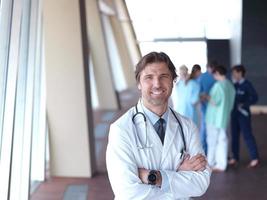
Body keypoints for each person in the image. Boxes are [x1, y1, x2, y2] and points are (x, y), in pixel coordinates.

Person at [106, 52, 211, 200]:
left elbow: (201, 183)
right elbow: (128, 193)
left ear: (173, 81)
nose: (157, 84)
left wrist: (154, 177)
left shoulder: (187, 126)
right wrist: (178, 175)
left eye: (164, 76)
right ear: (139, 84)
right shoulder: (121, 130)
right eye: (149, 77)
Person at [205, 65, 235, 172]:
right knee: (222, 140)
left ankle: (211, 163)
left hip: (214, 118)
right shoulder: (229, 85)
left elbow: (214, 101)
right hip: (224, 117)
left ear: (217, 73)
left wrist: (206, 96)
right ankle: (221, 164)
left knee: (212, 141)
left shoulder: (218, 85)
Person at [229, 64, 259, 168]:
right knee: (234, 136)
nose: (233, 75)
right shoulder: (233, 84)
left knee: (247, 135)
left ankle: (255, 158)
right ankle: (235, 157)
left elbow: (255, 97)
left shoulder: (247, 84)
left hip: (243, 115)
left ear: (240, 73)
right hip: (234, 114)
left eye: (235, 73)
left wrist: (245, 104)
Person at [198, 61, 217, 154]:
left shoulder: (216, 76)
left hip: (216, 108)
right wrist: (204, 97)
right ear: (207, 67)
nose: (211, 70)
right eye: (210, 68)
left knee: (216, 131)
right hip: (205, 107)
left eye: (213, 68)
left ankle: (213, 153)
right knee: (204, 130)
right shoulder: (202, 77)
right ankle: (204, 152)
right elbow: (199, 93)